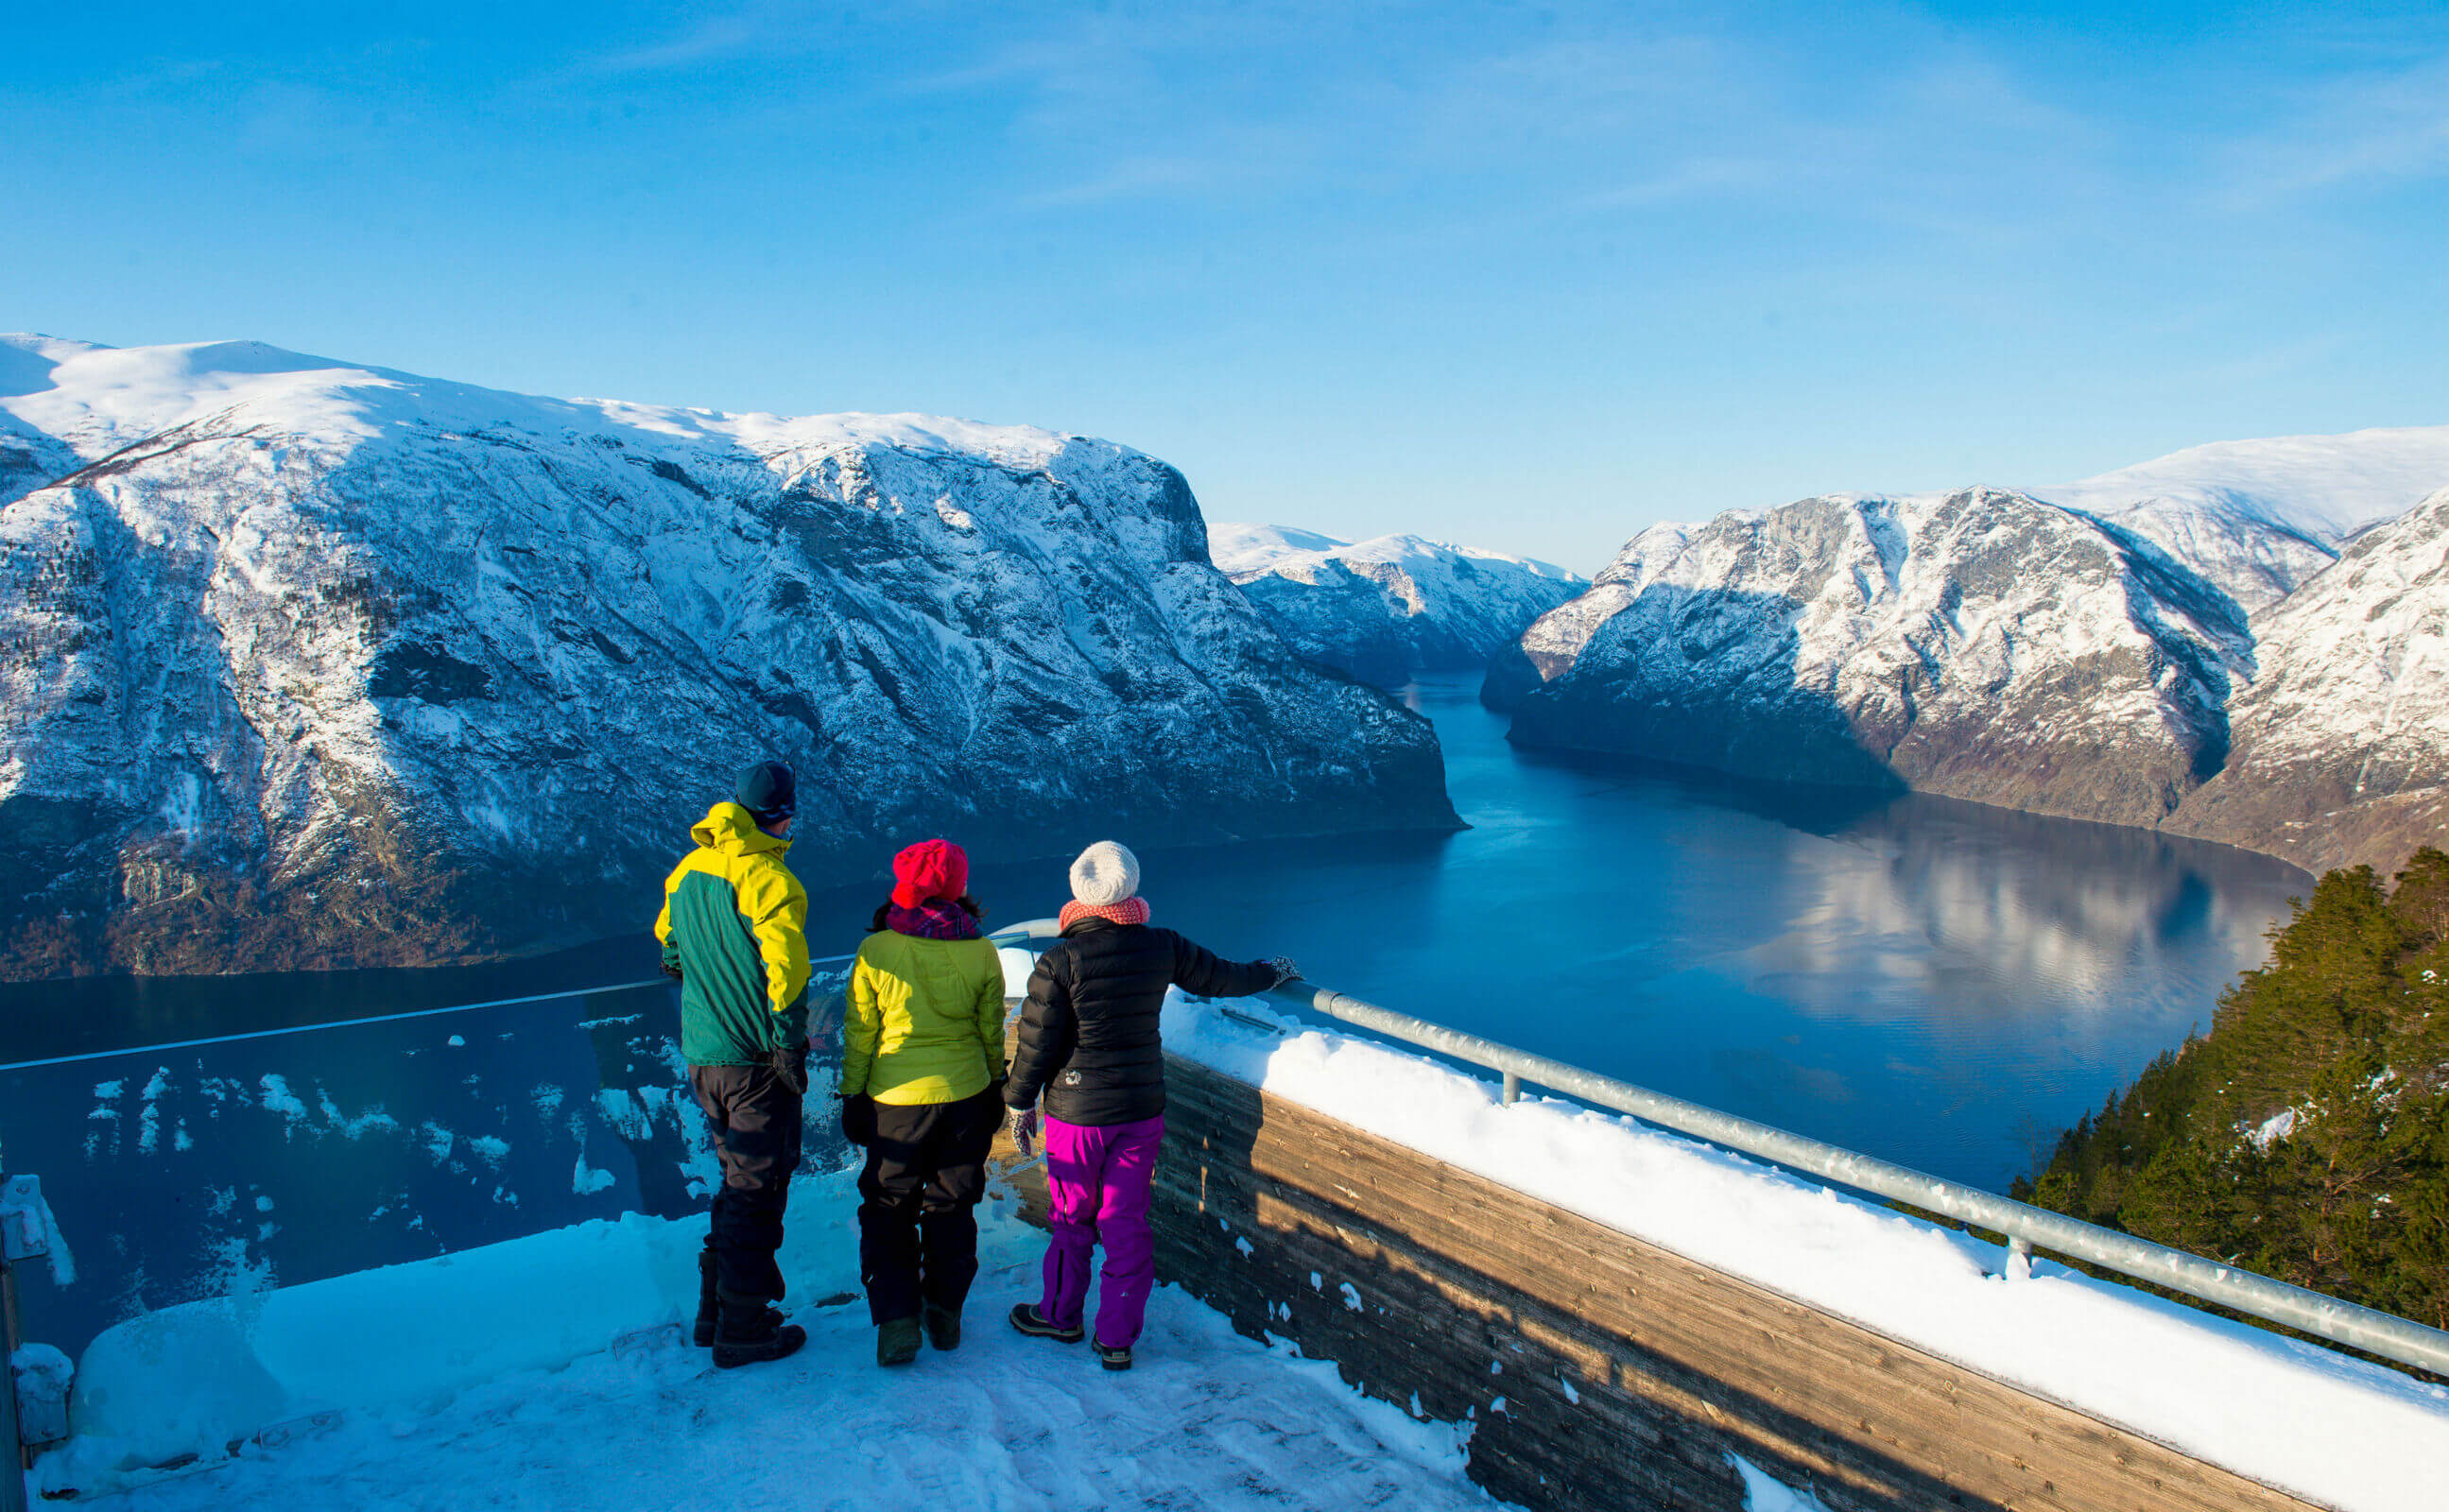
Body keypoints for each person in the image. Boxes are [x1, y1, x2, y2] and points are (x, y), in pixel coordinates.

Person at [1004, 841, 1297, 1369]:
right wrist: (1270, 971)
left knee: (1073, 1217)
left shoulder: (1059, 959)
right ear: (1130, 887)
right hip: (1140, 1110)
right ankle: (1116, 1339)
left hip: (1077, 1114)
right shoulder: (1161, 946)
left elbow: (1037, 1042)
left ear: (1078, 893)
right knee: (1126, 1220)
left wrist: (1020, 1103)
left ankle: (1060, 1316)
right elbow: (1223, 977)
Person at [654, 759, 812, 1368]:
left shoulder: (688, 870)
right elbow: (788, 974)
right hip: (752, 1061)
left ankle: (714, 1311)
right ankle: (743, 1330)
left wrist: (695, 965)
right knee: (759, 1188)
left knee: (735, 1180)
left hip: (704, 1057)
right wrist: (788, 1043)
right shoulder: (769, 881)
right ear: (779, 816)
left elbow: (666, 942)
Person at [838, 838, 1008, 1366]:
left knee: (889, 1206)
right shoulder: (981, 950)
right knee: (952, 1203)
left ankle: (897, 1322)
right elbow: (991, 1031)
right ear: (959, 888)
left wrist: (853, 1095)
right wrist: (995, 1089)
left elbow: (861, 1033)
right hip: (966, 1096)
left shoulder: (878, 951)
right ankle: (945, 1313)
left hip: (896, 1101)